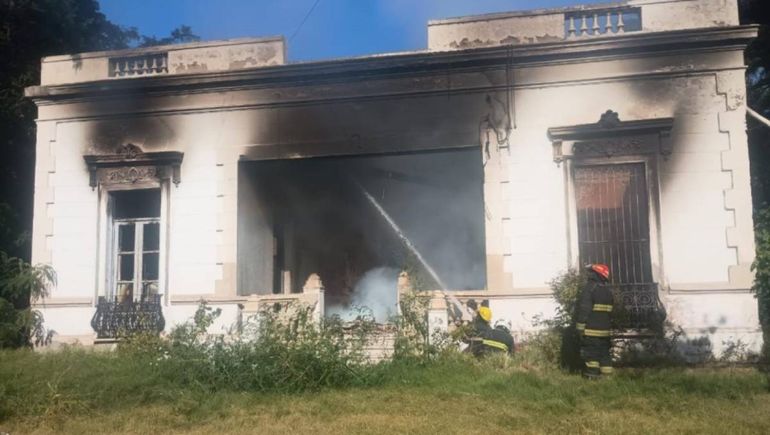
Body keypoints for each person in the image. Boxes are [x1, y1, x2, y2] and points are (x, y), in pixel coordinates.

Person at [576, 263, 614, 379]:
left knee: (591, 353)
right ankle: (607, 376)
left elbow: (584, 309)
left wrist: (580, 327)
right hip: (605, 331)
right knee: (604, 353)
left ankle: (592, 376)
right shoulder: (607, 291)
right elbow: (610, 312)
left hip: (591, 330)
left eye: (591, 272)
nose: (589, 275)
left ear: (595, 274)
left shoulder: (589, 288)